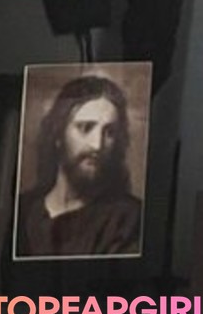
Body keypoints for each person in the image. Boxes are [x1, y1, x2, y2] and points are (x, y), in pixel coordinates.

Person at [16, 73, 143, 258]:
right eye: (85, 128)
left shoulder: (129, 219)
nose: (97, 145)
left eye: (109, 133)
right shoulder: (21, 211)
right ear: (58, 134)